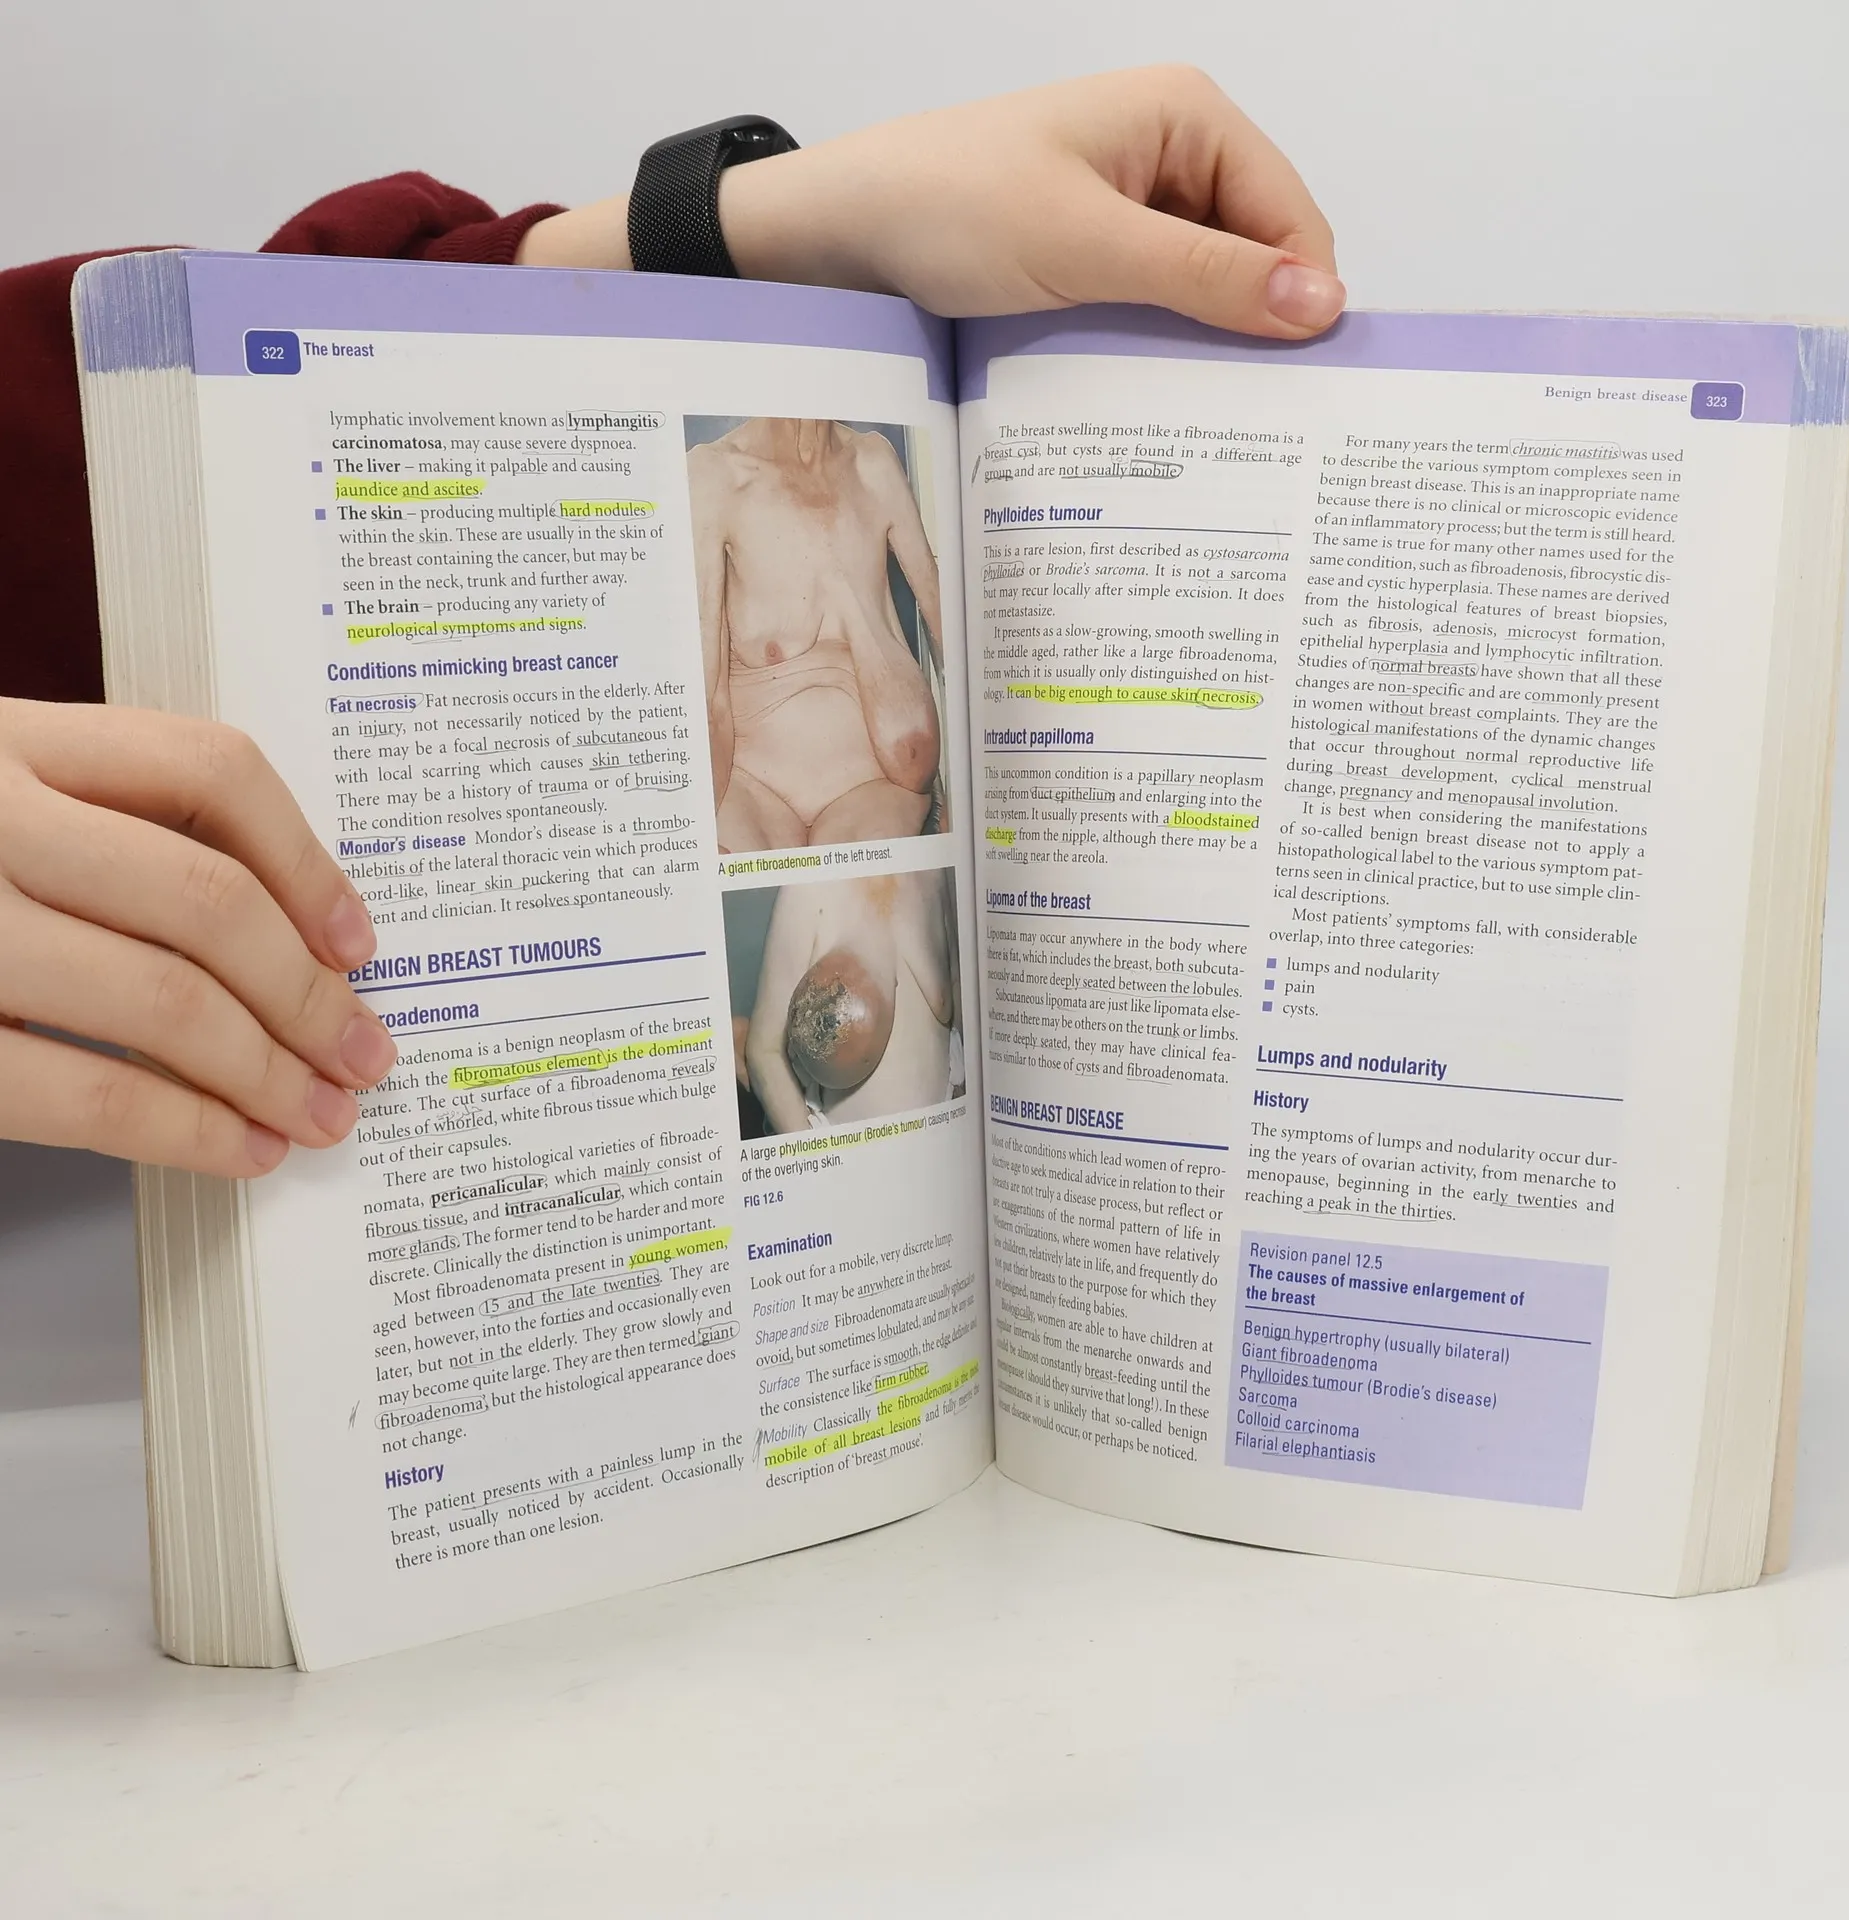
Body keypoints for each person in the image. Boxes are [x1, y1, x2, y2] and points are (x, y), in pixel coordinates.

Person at [0, 66, 1344, 1179]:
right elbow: (699, 673)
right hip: (731, 813)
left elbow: (163, 407)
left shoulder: (879, 462)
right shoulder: (712, 482)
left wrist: (760, 223)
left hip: (883, 793)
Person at [690, 417, 944, 853]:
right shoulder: (714, 475)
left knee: (866, 890)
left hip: (874, 788)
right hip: (752, 788)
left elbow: (951, 636)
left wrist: (968, 799)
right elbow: (705, 693)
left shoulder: (873, 462)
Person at [744, 871, 962, 1133]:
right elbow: (764, 1051)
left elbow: (959, 1010)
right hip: (851, 1151)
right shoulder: (806, 888)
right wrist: (820, 1153)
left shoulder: (936, 872)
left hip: (945, 1138)